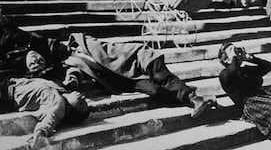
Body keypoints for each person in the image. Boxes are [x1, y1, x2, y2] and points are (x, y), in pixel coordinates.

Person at [0, 14, 214, 119]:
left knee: (160, 78)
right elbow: (70, 71)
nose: (36, 59)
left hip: (140, 59)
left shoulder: (85, 44)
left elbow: (31, 38)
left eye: (37, 57)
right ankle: (195, 99)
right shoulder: (68, 63)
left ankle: (195, 99)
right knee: (155, 90)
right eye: (35, 63)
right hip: (124, 78)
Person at [0, 76, 90, 149]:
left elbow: (50, 120)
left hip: (5, 96)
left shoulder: (58, 104)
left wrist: (40, 133)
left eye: (81, 104)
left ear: (70, 109)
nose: (82, 98)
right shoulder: (61, 89)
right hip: (9, 83)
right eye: (85, 101)